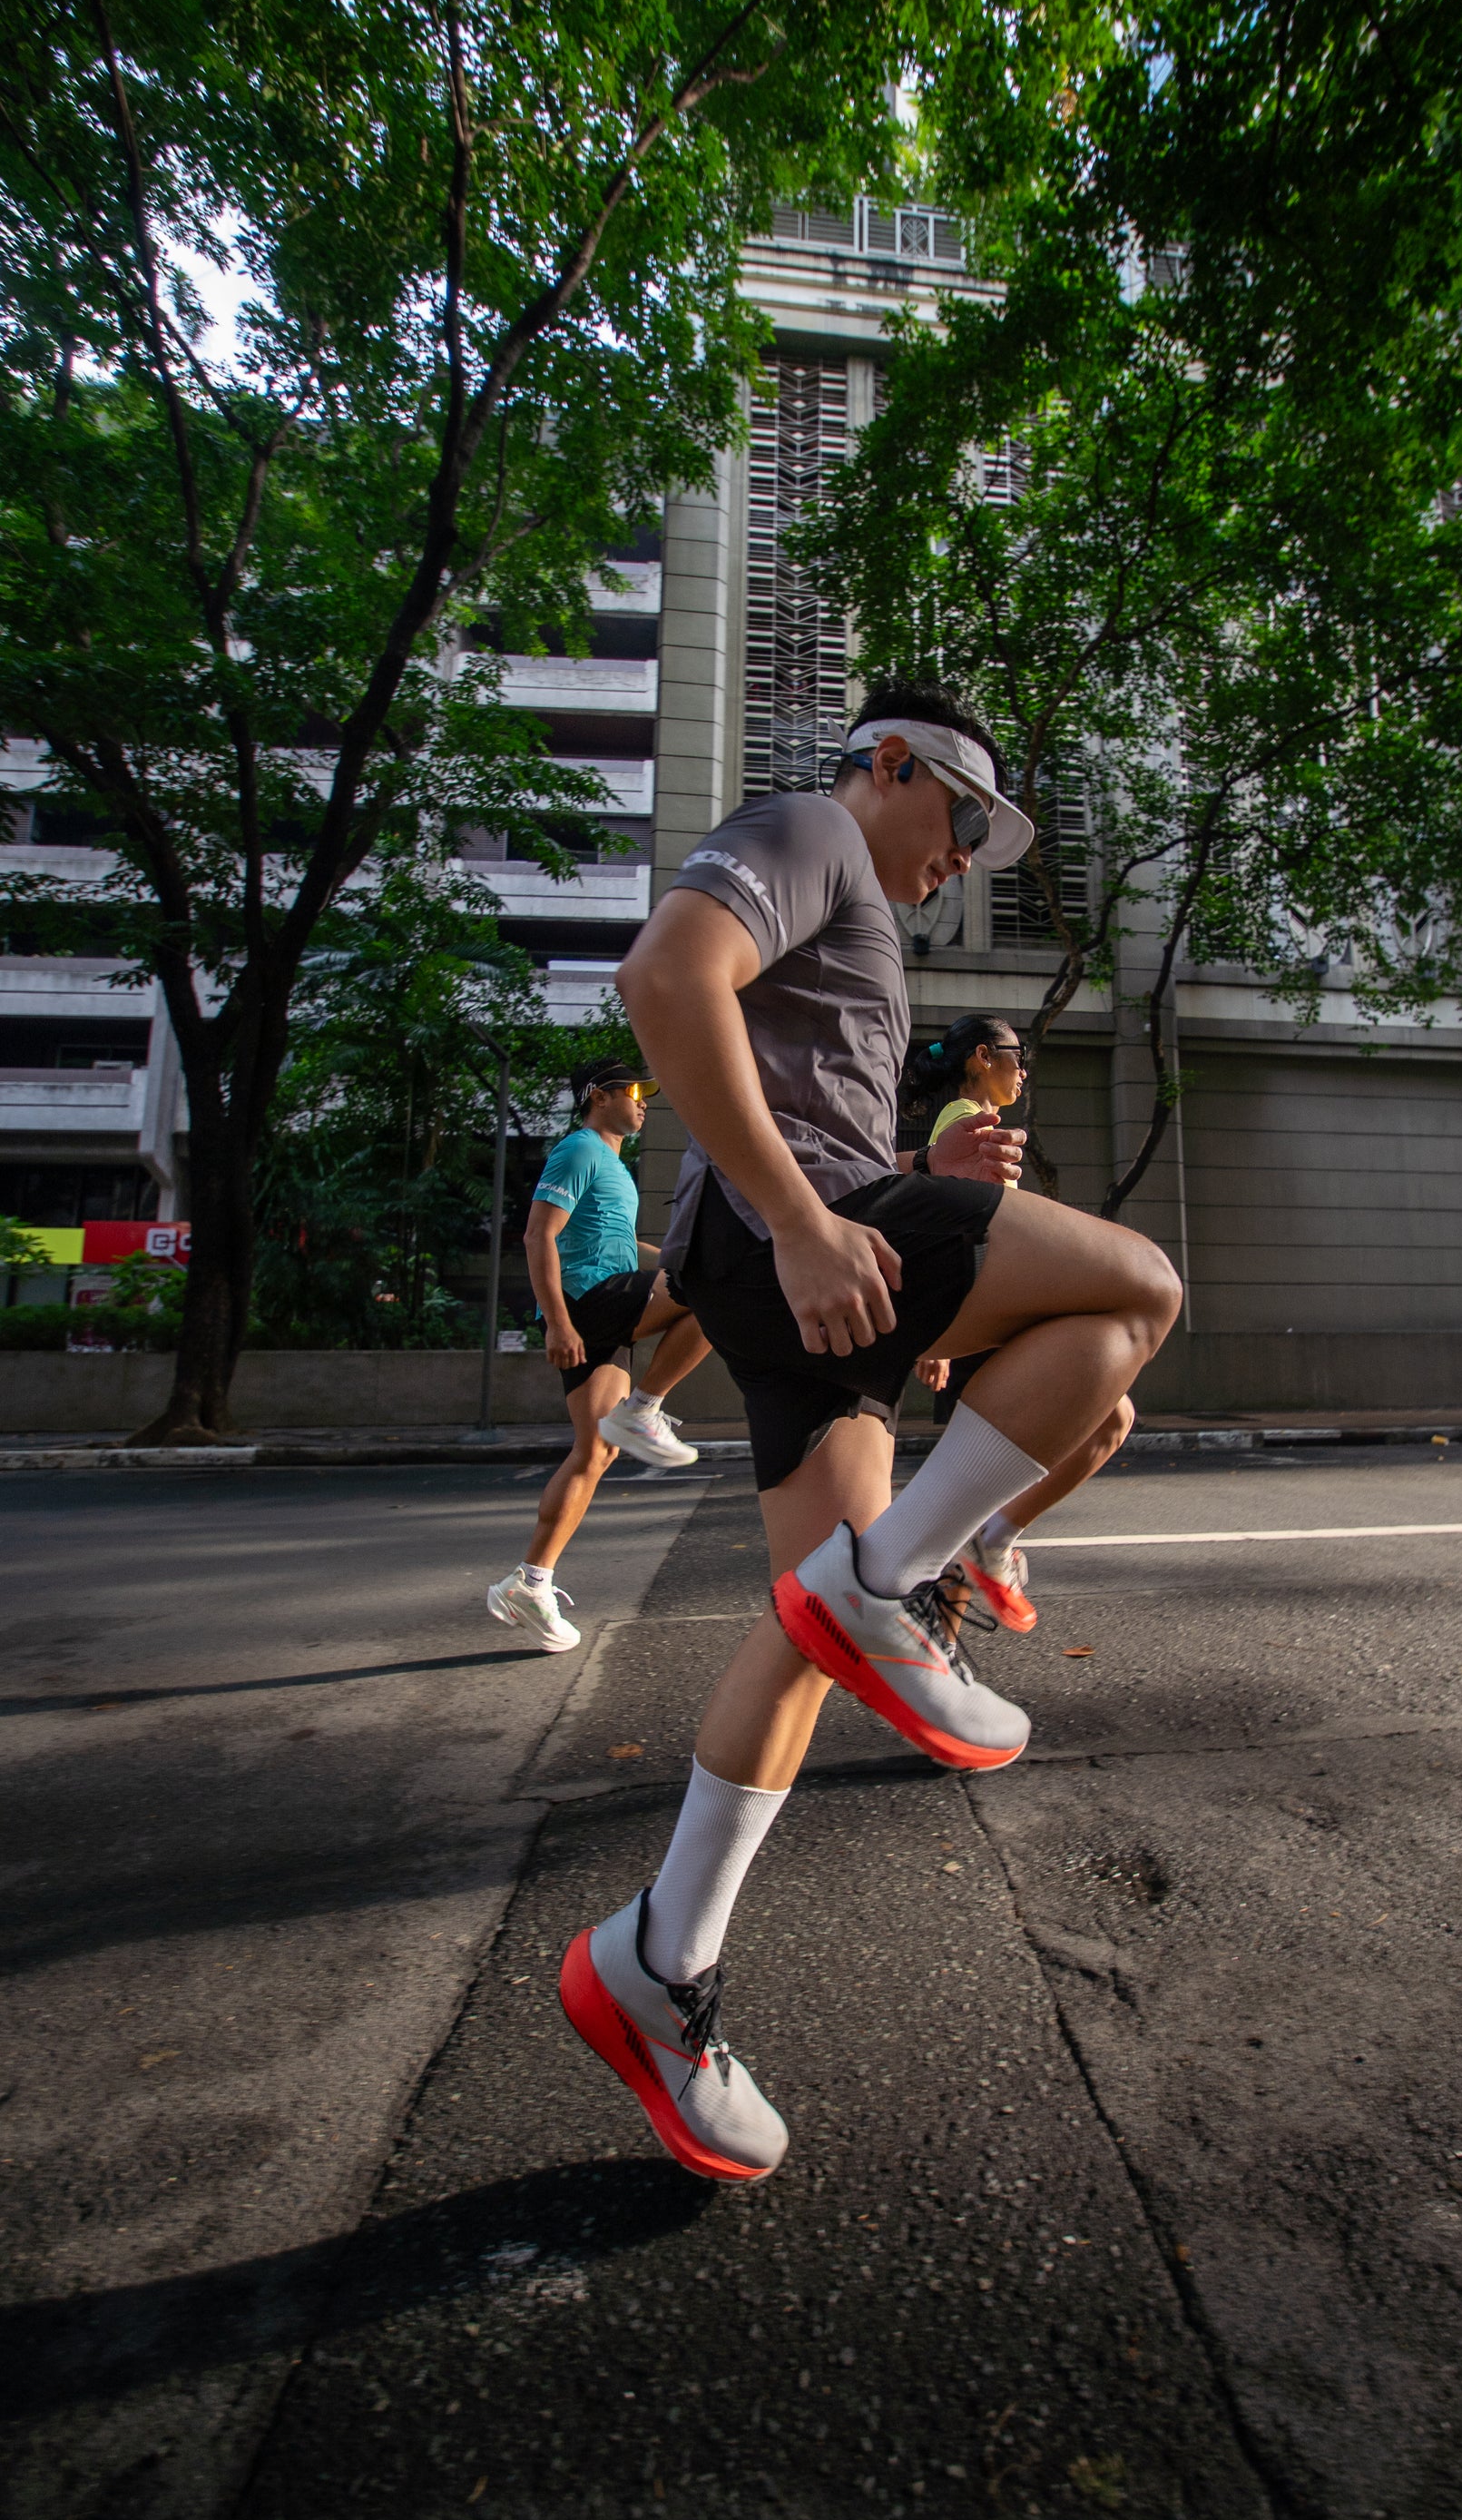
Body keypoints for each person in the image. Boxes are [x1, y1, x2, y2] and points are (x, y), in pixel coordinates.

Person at [556, 686, 1181, 2180]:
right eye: (965, 818)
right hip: (793, 1243)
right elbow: (664, 979)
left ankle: (659, 1957)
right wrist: (804, 1215)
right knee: (1134, 1293)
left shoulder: (856, 909)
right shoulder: (814, 828)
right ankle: (896, 1582)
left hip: (802, 1251)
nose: (964, 856)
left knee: (804, 1631)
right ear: (892, 767)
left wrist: (917, 1163)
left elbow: (789, 1095)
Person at [900, 1015, 1135, 1633]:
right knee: (1109, 1419)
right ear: (981, 1057)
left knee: (1108, 1418)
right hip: (980, 1322)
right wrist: (942, 1333)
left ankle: (952, 1615)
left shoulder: (969, 1123)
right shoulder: (967, 1124)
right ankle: (987, 1552)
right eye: (1016, 1054)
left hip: (982, 1322)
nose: (1023, 1068)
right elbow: (955, 1230)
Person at [486, 1058, 711, 1654]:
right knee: (714, 1292)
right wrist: (557, 1320)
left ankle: (530, 1582)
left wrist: (667, 1257)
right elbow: (539, 1235)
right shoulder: (580, 1150)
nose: (644, 1102)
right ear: (598, 1095)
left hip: (604, 1303)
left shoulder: (611, 1163)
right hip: (588, 1302)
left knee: (595, 1452)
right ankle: (646, 1406)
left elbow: (614, 1240)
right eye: (635, 1091)